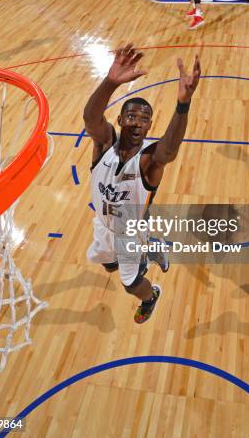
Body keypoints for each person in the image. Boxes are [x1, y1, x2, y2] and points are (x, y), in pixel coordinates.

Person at [84, 45, 201, 324]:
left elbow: (169, 151)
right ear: (120, 120)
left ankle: (151, 296)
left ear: (149, 127)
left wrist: (182, 104)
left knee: (131, 283)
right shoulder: (104, 144)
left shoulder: (148, 160)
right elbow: (90, 118)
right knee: (109, 266)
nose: (138, 122)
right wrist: (110, 82)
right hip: (103, 223)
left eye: (145, 119)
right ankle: (153, 246)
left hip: (128, 233)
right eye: (132, 116)